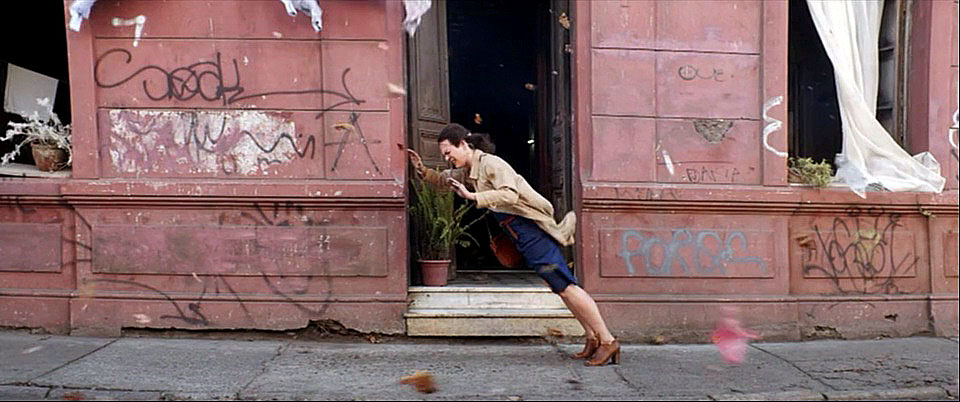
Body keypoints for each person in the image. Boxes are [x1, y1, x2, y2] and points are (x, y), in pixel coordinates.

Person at [406, 123, 620, 366]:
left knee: (565, 285)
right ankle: (592, 337)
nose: (446, 158)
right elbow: (445, 180)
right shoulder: (469, 169)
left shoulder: (491, 164)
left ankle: (607, 340)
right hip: (521, 233)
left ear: (463, 144)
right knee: (558, 285)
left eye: (448, 152)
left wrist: (473, 196)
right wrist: (421, 170)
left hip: (532, 231)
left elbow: (510, 194)